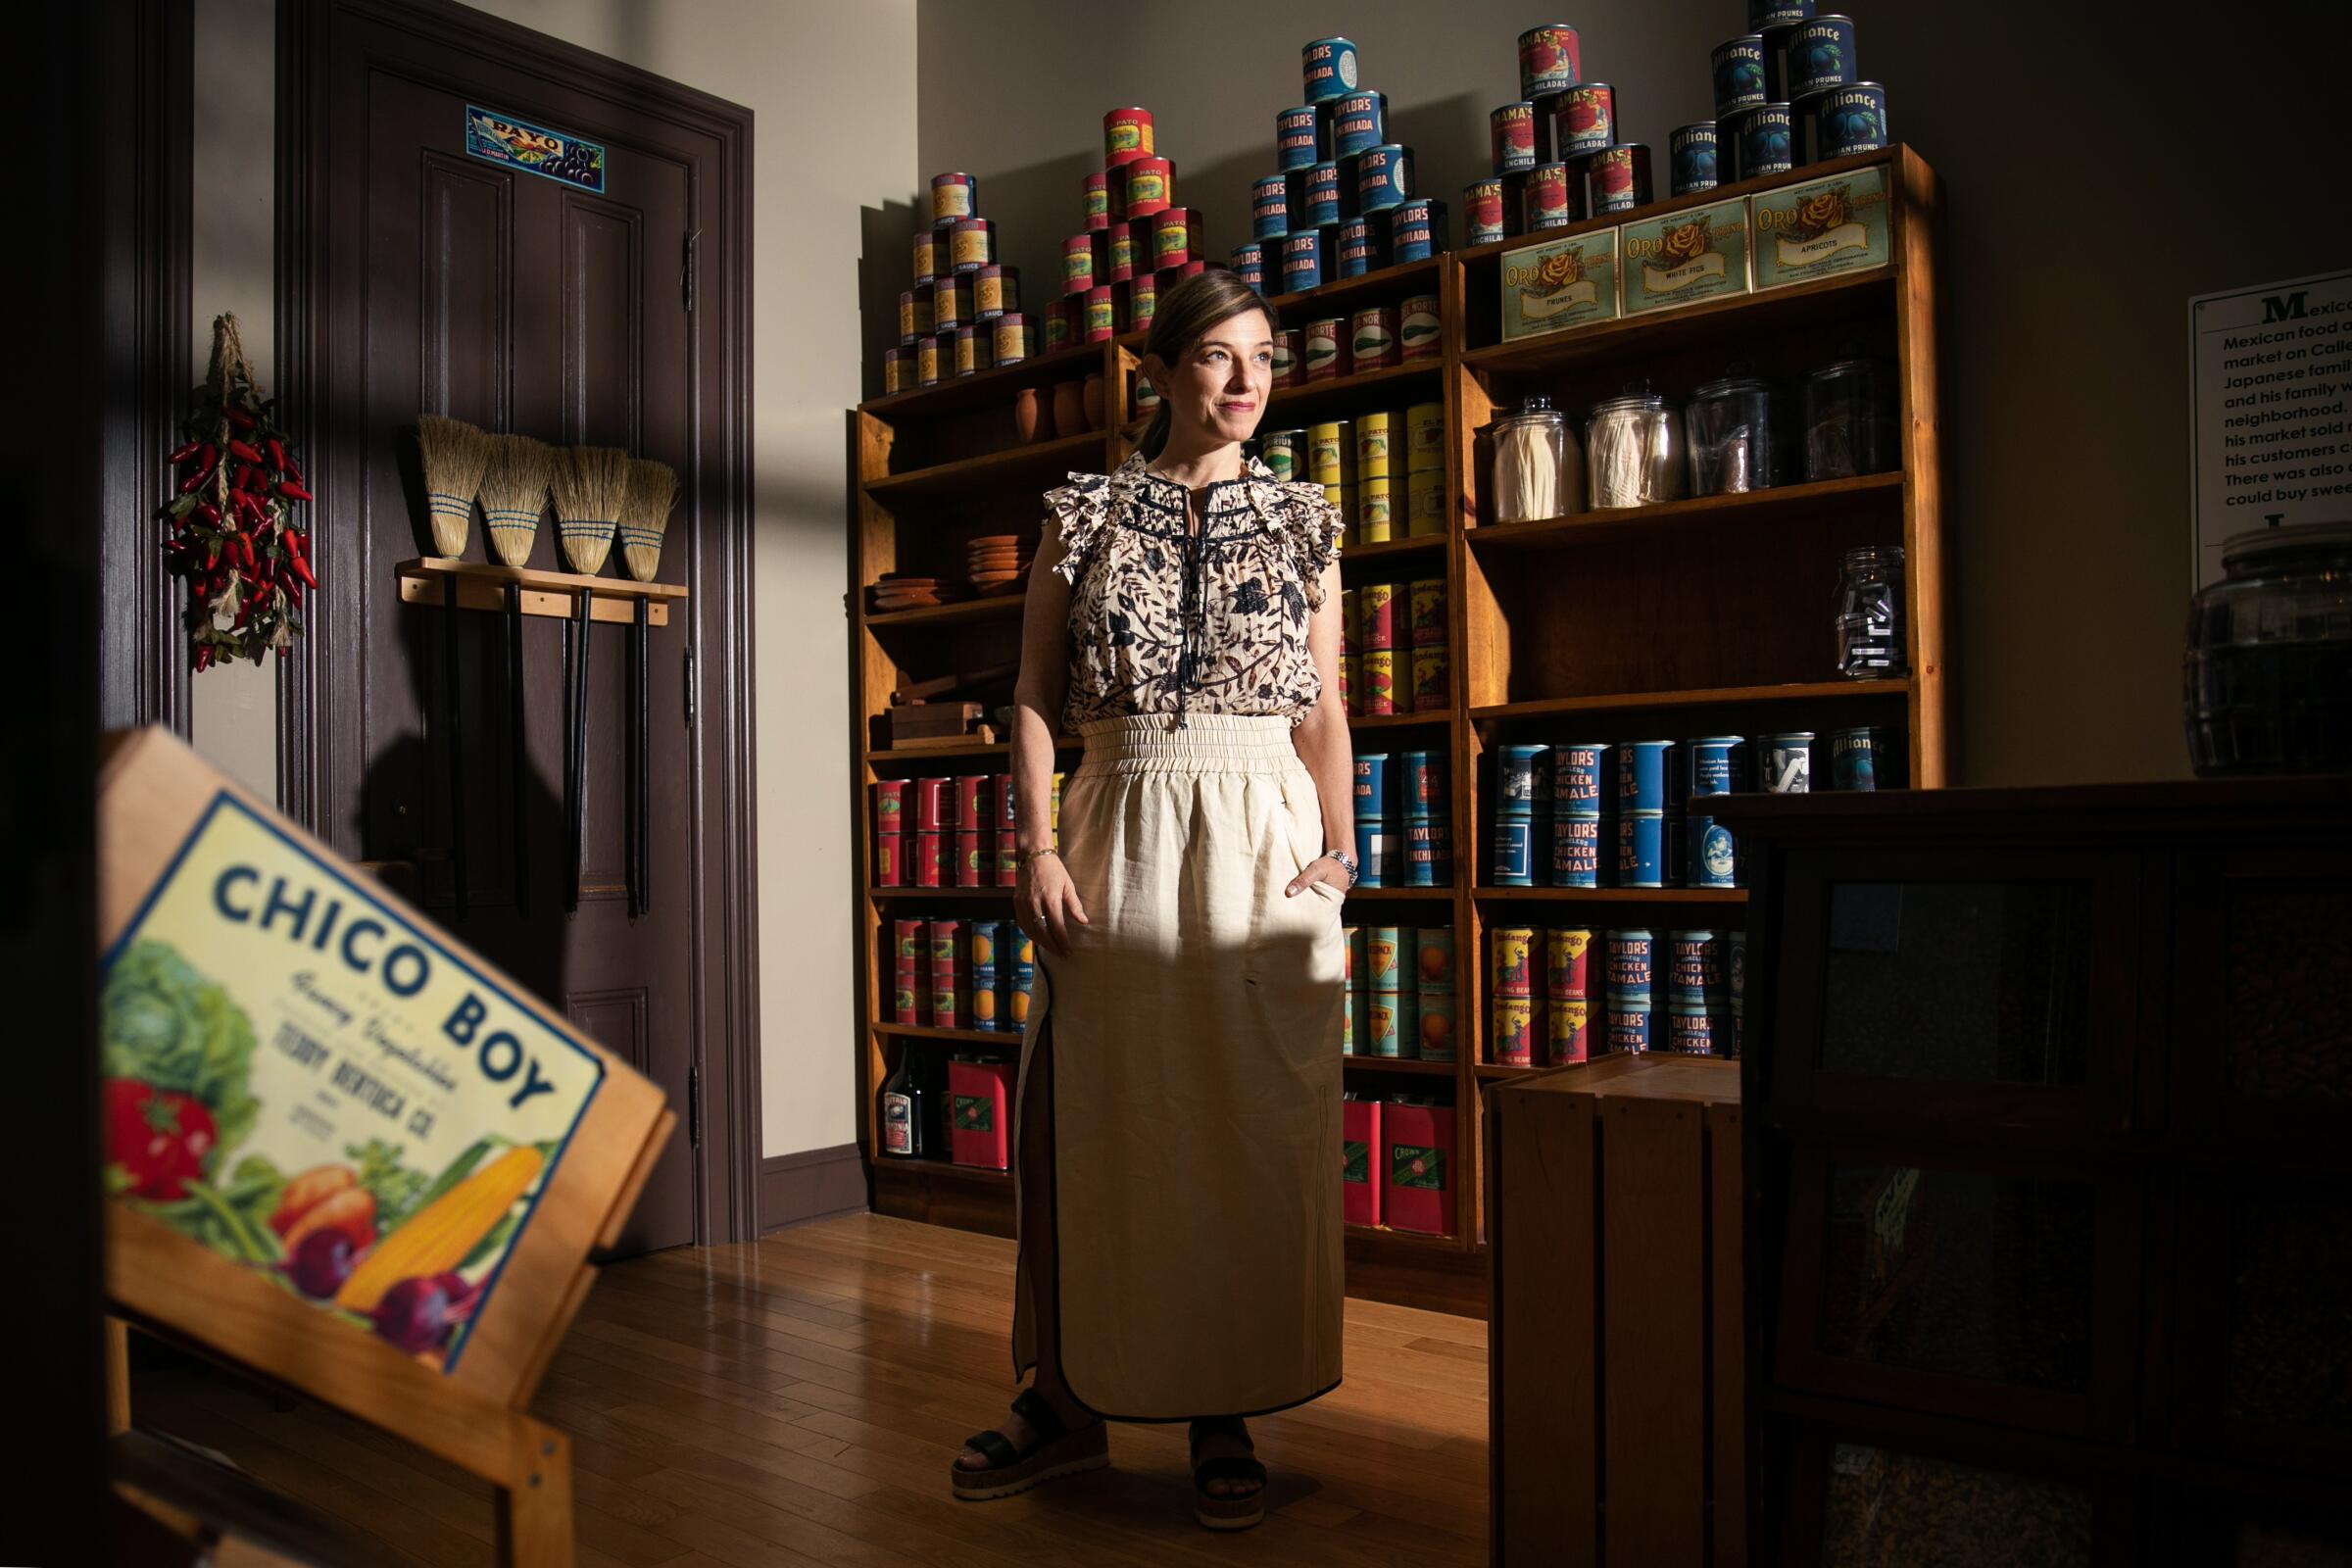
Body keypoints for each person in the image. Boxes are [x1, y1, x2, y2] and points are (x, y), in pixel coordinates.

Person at [949, 270, 1356, 1532]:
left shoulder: (1305, 522)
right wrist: (1034, 846)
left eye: (1266, 361)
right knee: (1098, 1117)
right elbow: (1029, 694)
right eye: (1222, 359)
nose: (1247, 384)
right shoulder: (1084, 514)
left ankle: (1220, 1402)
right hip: (1116, 815)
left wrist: (1341, 855)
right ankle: (1067, 1399)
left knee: (1245, 1130)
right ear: (1165, 370)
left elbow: (1323, 708)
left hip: (1265, 833)